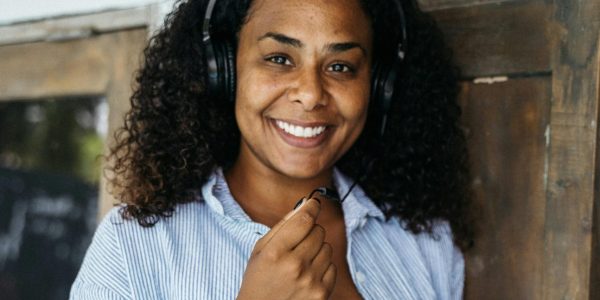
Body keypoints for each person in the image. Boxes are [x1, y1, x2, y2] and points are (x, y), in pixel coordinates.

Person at [70, 0, 473, 298]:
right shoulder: (136, 246)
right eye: (280, 58)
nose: (312, 94)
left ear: (378, 89)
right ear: (223, 72)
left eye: (341, 67)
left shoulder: (424, 244)